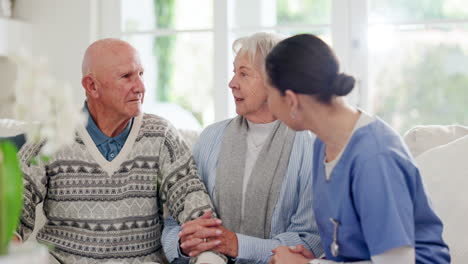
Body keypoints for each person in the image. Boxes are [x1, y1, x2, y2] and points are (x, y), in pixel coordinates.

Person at [16, 38, 220, 264]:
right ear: (92, 86)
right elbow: (13, 203)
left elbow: (192, 200)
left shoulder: (161, 135)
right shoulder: (52, 132)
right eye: (126, 77)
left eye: (141, 74)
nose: (141, 87)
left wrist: (202, 237)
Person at [264, 34, 451, 264]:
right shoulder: (322, 144)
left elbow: (396, 262)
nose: (268, 103)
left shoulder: (375, 158)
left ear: (291, 100)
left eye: (269, 92)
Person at [162, 32, 323, 264]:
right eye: (234, 72)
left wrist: (237, 245)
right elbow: (174, 221)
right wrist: (183, 245)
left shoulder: (309, 146)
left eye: (244, 74)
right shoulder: (210, 138)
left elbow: (309, 242)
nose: (232, 83)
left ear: (274, 82)